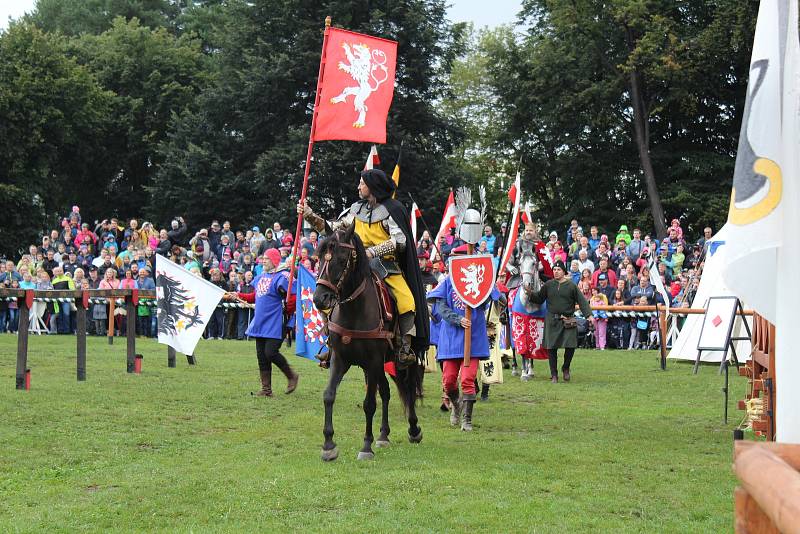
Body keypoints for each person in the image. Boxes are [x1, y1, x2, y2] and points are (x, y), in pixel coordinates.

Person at [300, 168, 429, 366]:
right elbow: (334, 229)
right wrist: (309, 215)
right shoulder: (356, 209)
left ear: (373, 186)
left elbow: (400, 240)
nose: (358, 186)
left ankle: (404, 348)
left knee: (407, 301)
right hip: (356, 266)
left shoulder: (393, 209)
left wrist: (372, 252)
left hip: (386, 266)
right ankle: (332, 343)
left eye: (362, 183)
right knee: (330, 294)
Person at [427, 255, 501, 431]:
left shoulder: (480, 278)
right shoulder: (447, 282)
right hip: (451, 337)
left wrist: (491, 289)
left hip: (473, 337)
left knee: (468, 379)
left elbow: (495, 299)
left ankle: (466, 420)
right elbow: (441, 308)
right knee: (448, 381)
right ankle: (456, 405)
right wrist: (457, 319)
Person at [226, 247, 299, 396]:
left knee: (270, 352)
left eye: (266, 258)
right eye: (263, 258)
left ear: (274, 261)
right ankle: (266, 389)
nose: (263, 261)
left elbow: (293, 296)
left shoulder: (283, 277)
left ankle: (292, 376)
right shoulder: (261, 277)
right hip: (261, 321)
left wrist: (287, 311)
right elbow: (255, 296)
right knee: (261, 355)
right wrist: (238, 295)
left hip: (276, 321)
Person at [528, 260, 594, 383]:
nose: (556, 272)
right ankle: (554, 374)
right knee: (551, 348)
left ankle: (566, 368)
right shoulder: (548, 285)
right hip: (552, 320)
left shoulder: (571, 286)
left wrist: (589, 315)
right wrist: (529, 293)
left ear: (564, 272)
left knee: (571, 345)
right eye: (554, 270)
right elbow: (539, 298)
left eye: (558, 270)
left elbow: (582, 301)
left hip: (568, 320)